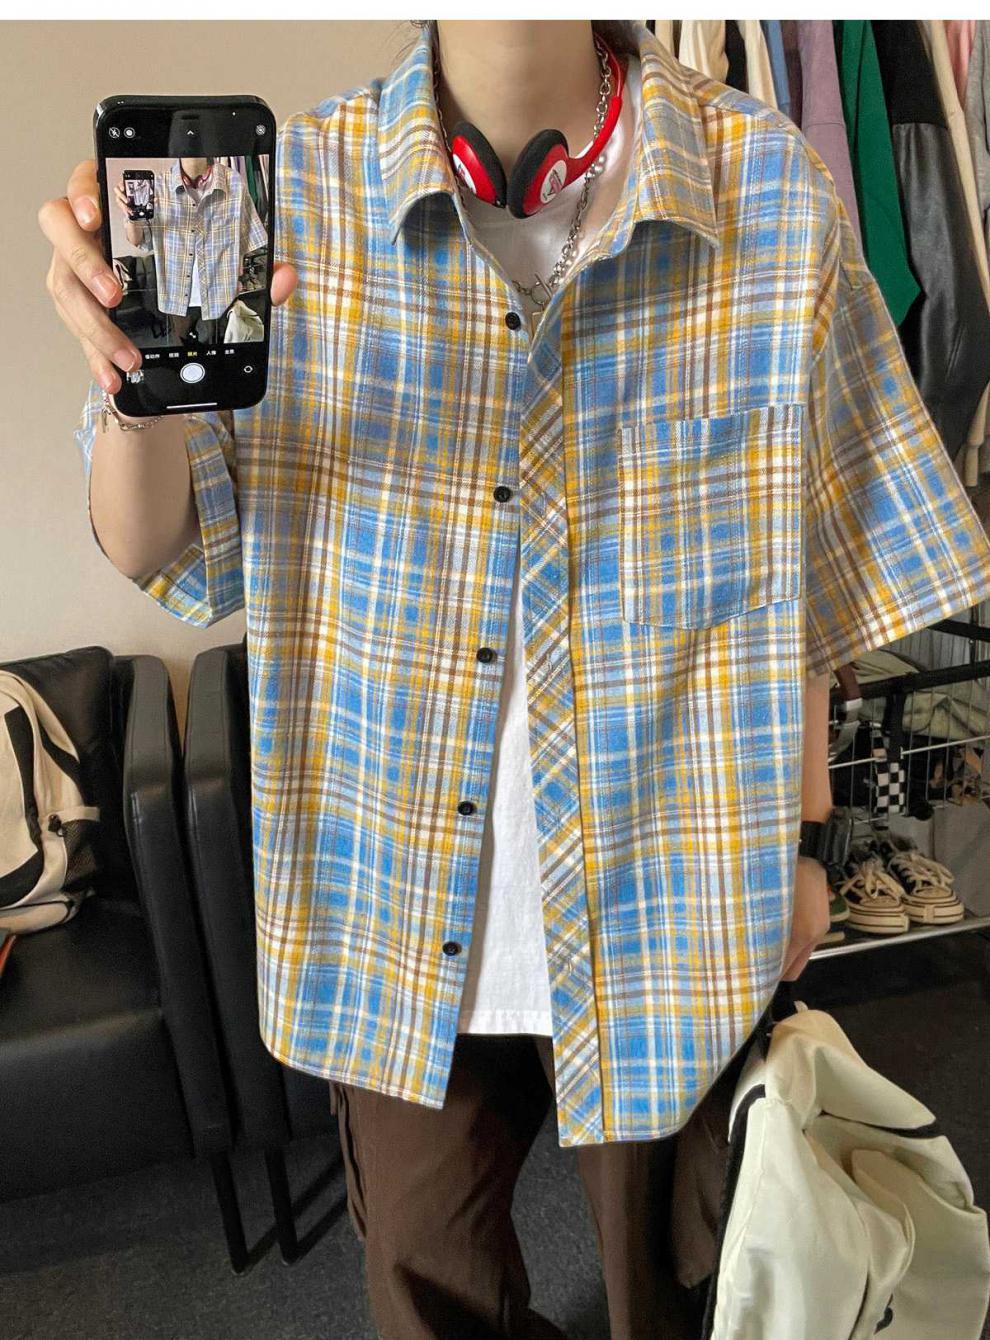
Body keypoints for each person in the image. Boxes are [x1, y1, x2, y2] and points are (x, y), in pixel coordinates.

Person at [37, 19, 990, 1340]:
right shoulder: (295, 198)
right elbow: (159, 544)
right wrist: (136, 376)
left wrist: (809, 844)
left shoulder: (764, 186)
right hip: (389, 909)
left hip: (675, 905)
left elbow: (814, 568)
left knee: (686, 1293)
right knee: (432, 1294)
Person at [112, 154, 267, 346]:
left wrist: (238, 276)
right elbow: (139, 240)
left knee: (217, 346)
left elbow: (244, 238)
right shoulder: (159, 185)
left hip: (220, 292)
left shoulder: (233, 181)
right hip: (176, 293)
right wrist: (130, 213)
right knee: (184, 344)